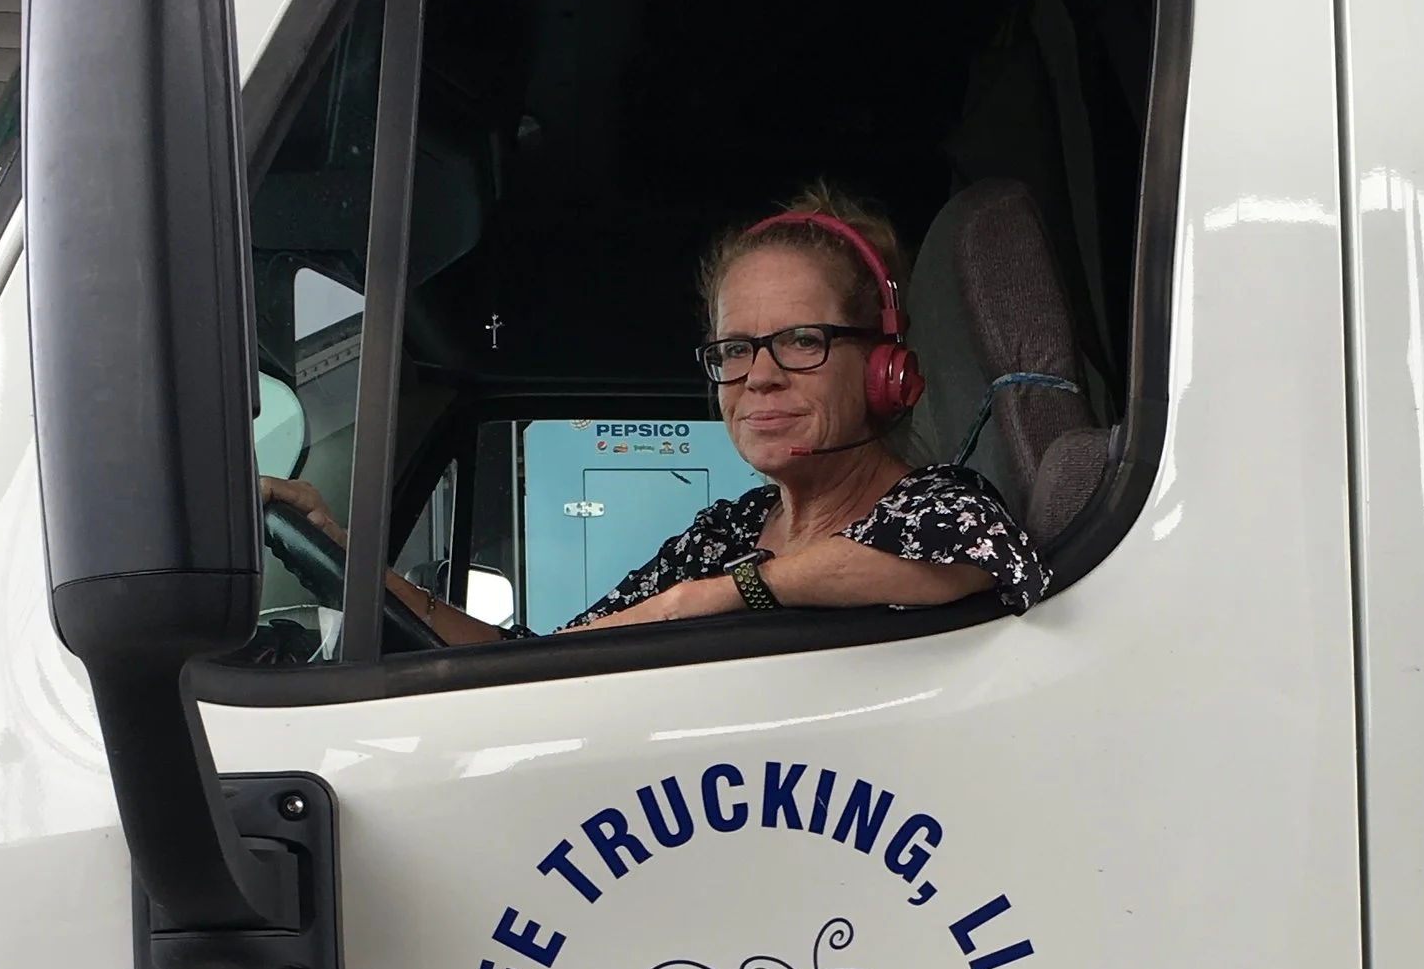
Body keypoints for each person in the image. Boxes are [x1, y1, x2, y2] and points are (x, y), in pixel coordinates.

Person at [263, 185, 1046, 646]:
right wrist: (352, 565)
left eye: (801, 340)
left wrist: (701, 600)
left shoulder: (938, 507)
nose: (760, 377)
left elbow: (976, 558)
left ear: (885, 366)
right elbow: (542, 661)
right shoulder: (726, 533)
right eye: (735, 348)